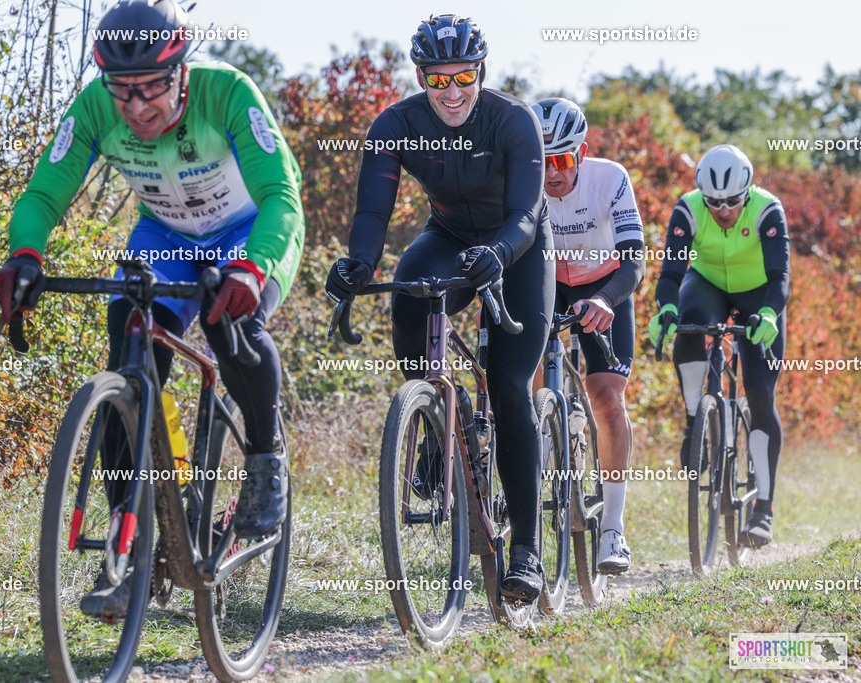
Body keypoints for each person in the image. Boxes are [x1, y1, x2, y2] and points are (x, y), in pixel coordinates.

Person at [0, 0, 304, 617]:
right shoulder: (93, 108)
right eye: (122, 91)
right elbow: (43, 194)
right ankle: (132, 543)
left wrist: (252, 265)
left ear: (182, 72)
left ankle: (266, 459)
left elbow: (279, 195)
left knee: (229, 319)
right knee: (129, 358)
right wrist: (24, 255)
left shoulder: (228, 93)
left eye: (152, 88)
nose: (136, 108)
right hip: (164, 237)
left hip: (250, 230)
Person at [325, 14, 554, 603]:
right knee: (410, 290)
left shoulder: (513, 119)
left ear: (482, 71)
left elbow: (527, 216)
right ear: (421, 78)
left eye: (464, 77)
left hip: (520, 247)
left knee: (507, 381)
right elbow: (373, 213)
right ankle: (434, 418)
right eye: (437, 79)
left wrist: (499, 254)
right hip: (449, 236)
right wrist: (358, 264)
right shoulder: (396, 124)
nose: (452, 92)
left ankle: (526, 548)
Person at [649, 144, 789, 547]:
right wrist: (667, 308)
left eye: (731, 201)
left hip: (759, 293)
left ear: (747, 193)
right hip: (708, 282)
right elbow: (671, 273)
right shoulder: (688, 209)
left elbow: (780, 277)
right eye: (714, 202)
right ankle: (696, 421)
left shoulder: (767, 210)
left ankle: (763, 507)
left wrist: (767, 315)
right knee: (688, 325)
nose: (723, 209)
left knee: (761, 394)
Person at [531, 97, 645, 574]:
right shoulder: (523, 182)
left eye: (561, 160)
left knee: (607, 399)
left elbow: (635, 258)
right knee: (525, 384)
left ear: (580, 153)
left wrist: (606, 300)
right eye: (543, 162)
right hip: (548, 283)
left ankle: (614, 530)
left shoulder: (610, 178)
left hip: (605, 285)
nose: (552, 173)